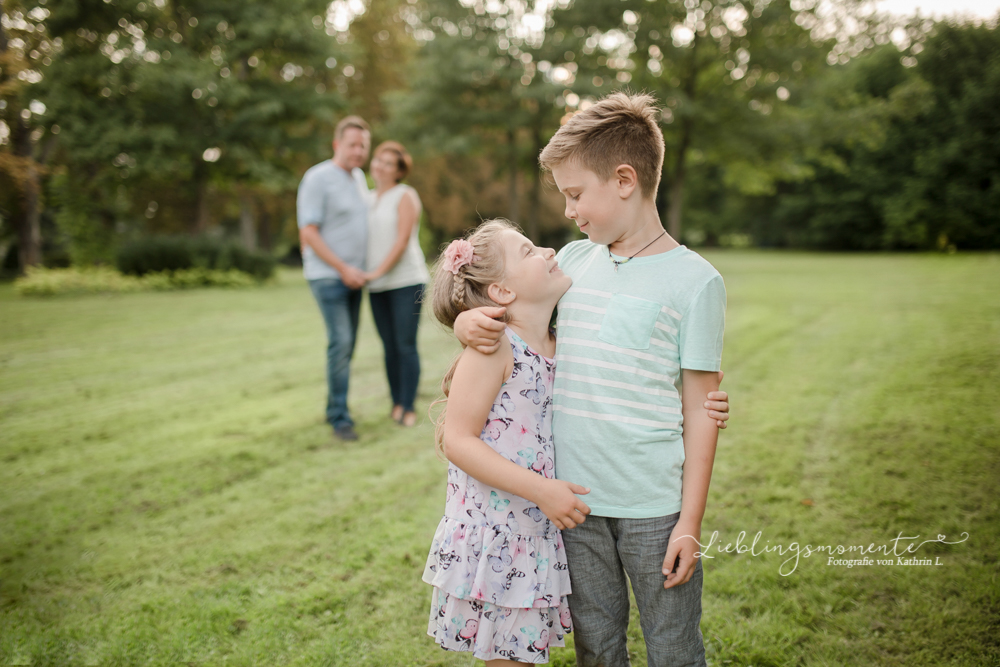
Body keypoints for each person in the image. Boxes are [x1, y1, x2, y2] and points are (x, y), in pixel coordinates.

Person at [454, 92, 729, 666]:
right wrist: (464, 319)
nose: (569, 212)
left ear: (624, 179)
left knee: (674, 646)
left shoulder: (696, 282)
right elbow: (510, 312)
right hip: (572, 505)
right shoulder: (573, 264)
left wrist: (690, 522)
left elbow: (703, 409)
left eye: (576, 194)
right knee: (597, 647)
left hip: (654, 505)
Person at [297, 116, 372, 442]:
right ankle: (340, 419)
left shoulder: (358, 178)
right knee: (340, 342)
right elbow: (308, 232)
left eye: (363, 146)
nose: (358, 151)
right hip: (329, 277)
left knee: (347, 345)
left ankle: (334, 407)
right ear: (337, 144)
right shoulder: (317, 178)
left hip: (356, 278)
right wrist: (343, 268)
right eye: (353, 144)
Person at [363, 141, 430, 428]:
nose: (381, 165)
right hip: (376, 285)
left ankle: (409, 406)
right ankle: (396, 403)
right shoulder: (365, 198)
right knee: (388, 346)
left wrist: (376, 270)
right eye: (379, 159)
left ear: (399, 171)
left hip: (406, 281)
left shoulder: (405, 195)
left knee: (405, 345)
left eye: (389, 163)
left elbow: (402, 241)